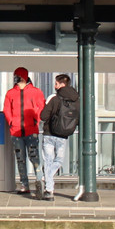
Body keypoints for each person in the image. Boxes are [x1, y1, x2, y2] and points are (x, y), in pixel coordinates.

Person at [2, 66, 45, 196]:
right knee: (20, 158)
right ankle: (24, 184)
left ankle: (39, 181)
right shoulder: (10, 93)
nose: (15, 78)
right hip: (16, 131)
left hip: (30, 130)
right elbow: (6, 109)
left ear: (23, 77)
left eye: (17, 76)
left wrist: (36, 121)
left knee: (34, 157)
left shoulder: (36, 92)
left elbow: (41, 108)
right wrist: (11, 122)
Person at [38, 73, 79, 201]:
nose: (54, 86)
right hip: (63, 135)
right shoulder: (76, 100)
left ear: (62, 84)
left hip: (49, 134)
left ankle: (49, 190)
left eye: (56, 83)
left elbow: (43, 116)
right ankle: (48, 179)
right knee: (58, 161)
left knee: (48, 161)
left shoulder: (54, 98)